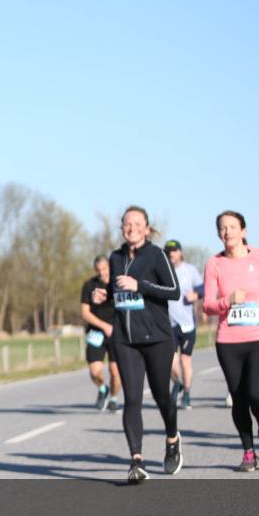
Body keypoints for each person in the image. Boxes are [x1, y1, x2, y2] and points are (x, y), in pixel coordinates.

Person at [93, 206, 181, 482]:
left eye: (137, 223)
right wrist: (104, 295)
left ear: (147, 228)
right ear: (122, 229)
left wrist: (139, 285)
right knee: (132, 399)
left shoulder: (156, 255)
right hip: (125, 339)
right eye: (127, 223)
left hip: (157, 338)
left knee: (161, 395)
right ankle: (136, 460)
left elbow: (174, 291)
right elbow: (117, 290)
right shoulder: (115, 257)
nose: (131, 228)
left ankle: (172, 438)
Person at [203, 211, 259, 471]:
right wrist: (227, 301)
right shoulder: (214, 264)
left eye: (232, 227)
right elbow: (208, 305)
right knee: (239, 398)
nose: (227, 232)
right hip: (228, 340)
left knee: (257, 393)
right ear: (219, 233)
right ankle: (248, 451)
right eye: (222, 228)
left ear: (243, 231)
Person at [164, 239, 204, 410]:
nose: (170, 254)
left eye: (173, 251)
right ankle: (177, 383)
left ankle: (186, 394)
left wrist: (196, 295)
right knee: (169, 362)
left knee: (185, 360)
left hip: (187, 325)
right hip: (168, 324)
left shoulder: (190, 270)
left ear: (180, 252)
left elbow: (203, 288)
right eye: (168, 252)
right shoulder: (163, 271)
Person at [80, 255, 121, 412]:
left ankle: (114, 399)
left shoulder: (117, 284)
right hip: (96, 332)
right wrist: (104, 326)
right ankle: (103, 388)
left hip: (116, 334)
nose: (102, 272)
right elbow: (85, 313)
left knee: (115, 371)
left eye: (104, 269)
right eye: (98, 270)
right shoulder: (89, 285)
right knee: (95, 372)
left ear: (109, 267)